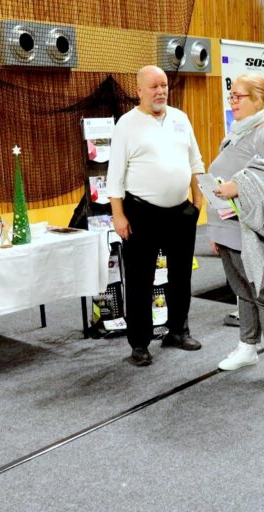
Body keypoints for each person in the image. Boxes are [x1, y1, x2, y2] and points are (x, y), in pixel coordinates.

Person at [206, 73, 264, 392]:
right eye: (231, 96)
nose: (232, 102)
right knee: (243, 293)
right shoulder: (237, 131)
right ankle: (247, 348)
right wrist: (216, 231)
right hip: (228, 228)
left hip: (257, 232)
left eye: (238, 96)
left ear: (259, 98)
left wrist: (239, 186)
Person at [107, 65, 205, 366]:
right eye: (154, 86)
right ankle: (139, 343)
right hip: (141, 213)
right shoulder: (126, 125)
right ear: (139, 91)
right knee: (140, 280)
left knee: (181, 276)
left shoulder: (180, 118)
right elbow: (115, 175)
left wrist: (198, 203)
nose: (161, 91)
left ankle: (178, 330)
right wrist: (118, 215)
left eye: (164, 85)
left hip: (181, 212)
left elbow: (196, 162)